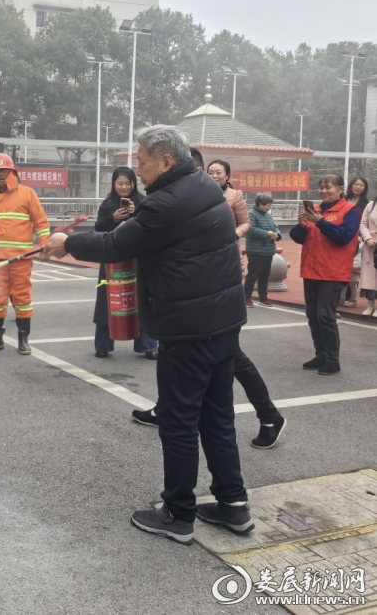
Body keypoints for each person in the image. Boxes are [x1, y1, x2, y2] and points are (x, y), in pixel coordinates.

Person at [43, 127, 251, 545]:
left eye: (140, 160)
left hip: (188, 329)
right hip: (223, 322)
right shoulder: (205, 186)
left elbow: (117, 244)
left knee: (178, 422)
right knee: (218, 415)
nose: (136, 169)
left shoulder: (165, 203)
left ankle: (178, 514)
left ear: (166, 161)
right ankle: (233, 506)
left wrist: (67, 242)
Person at [132, 152, 286, 450]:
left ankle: (269, 415)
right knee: (175, 346)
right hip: (185, 285)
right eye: (211, 171)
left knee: (232, 356)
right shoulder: (182, 195)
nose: (213, 175)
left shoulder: (226, 197)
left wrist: (225, 236)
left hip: (218, 277)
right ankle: (166, 409)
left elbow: (245, 224)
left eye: (217, 171)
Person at [0, 153, 50, 355]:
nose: (1, 174)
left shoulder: (27, 194)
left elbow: (40, 221)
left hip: (21, 258)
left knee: (22, 298)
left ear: (13, 172)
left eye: (5, 170)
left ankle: (23, 339)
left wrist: (45, 244)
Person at [291, 173, 361, 374]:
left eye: (328, 187)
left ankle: (332, 359)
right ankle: (320, 354)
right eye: (320, 187)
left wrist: (320, 222)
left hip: (333, 272)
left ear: (340, 189)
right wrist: (302, 225)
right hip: (311, 270)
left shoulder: (350, 211)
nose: (323, 191)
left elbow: (344, 237)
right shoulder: (315, 210)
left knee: (325, 315)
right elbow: (298, 238)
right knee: (312, 314)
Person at [92, 168, 158, 360]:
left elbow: (151, 225)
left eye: (127, 183)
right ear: (114, 184)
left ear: (133, 184)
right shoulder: (107, 204)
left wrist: (135, 213)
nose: (124, 187)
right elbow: (98, 228)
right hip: (112, 257)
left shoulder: (143, 202)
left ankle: (148, 345)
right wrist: (114, 218)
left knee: (142, 299)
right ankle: (103, 345)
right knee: (108, 300)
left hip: (138, 257)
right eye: (120, 183)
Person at [244, 193, 282, 308]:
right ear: (260, 204)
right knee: (252, 275)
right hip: (255, 251)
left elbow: (274, 227)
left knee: (265, 275)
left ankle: (263, 298)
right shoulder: (251, 214)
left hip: (268, 250)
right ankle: (246, 298)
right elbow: (251, 230)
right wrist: (267, 234)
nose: (269, 207)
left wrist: (277, 234)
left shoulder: (267, 215)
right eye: (268, 205)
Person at [343, 177, 369, 306]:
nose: (358, 187)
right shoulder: (343, 200)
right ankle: (341, 297)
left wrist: (361, 236)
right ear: (351, 186)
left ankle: (351, 298)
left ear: (365, 188)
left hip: (357, 239)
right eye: (356, 184)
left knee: (353, 269)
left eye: (361, 185)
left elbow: (365, 223)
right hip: (342, 237)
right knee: (341, 267)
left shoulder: (366, 203)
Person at [207, 160, 249, 239]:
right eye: (210, 173)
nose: (214, 176)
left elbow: (245, 223)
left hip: (228, 244)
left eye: (218, 173)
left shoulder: (236, 195)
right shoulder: (200, 193)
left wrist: (234, 235)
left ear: (227, 176)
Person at [359, 190, 377, 316]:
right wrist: (368, 238)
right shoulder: (370, 205)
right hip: (371, 246)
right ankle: (370, 305)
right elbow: (363, 224)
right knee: (370, 278)